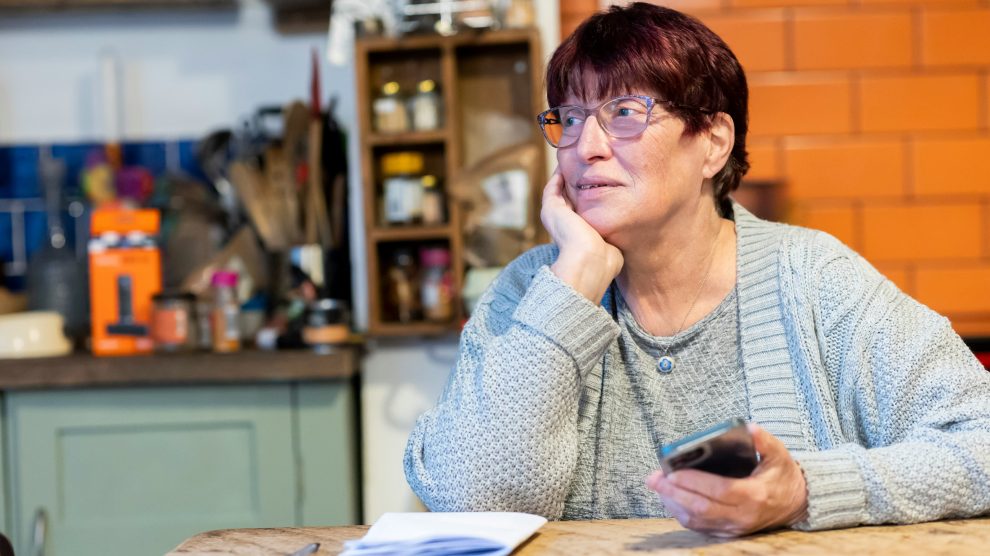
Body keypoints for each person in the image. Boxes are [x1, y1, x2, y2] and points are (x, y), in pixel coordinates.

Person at [404, 2, 990, 537]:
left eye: (625, 111)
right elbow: (474, 508)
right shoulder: (531, 291)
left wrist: (803, 490)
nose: (586, 146)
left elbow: (981, 442)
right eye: (572, 117)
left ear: (712, 141)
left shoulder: (814, 280)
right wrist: (572, 282)